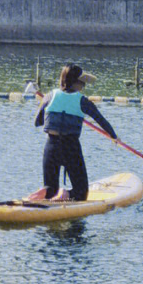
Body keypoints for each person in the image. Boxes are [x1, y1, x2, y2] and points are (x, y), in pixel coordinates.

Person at [28, 62, 117, 203]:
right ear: (75, 83)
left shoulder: (50, 96)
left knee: (51, 189)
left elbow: (37, 122)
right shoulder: (82, 101)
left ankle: (46, 190)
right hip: (71, 147)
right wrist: (114, 136)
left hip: (51, 147)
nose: (83, 86)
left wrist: (54, 110)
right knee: (81, 193)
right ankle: (65, 193)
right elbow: (102, 121)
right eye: (82, 83)